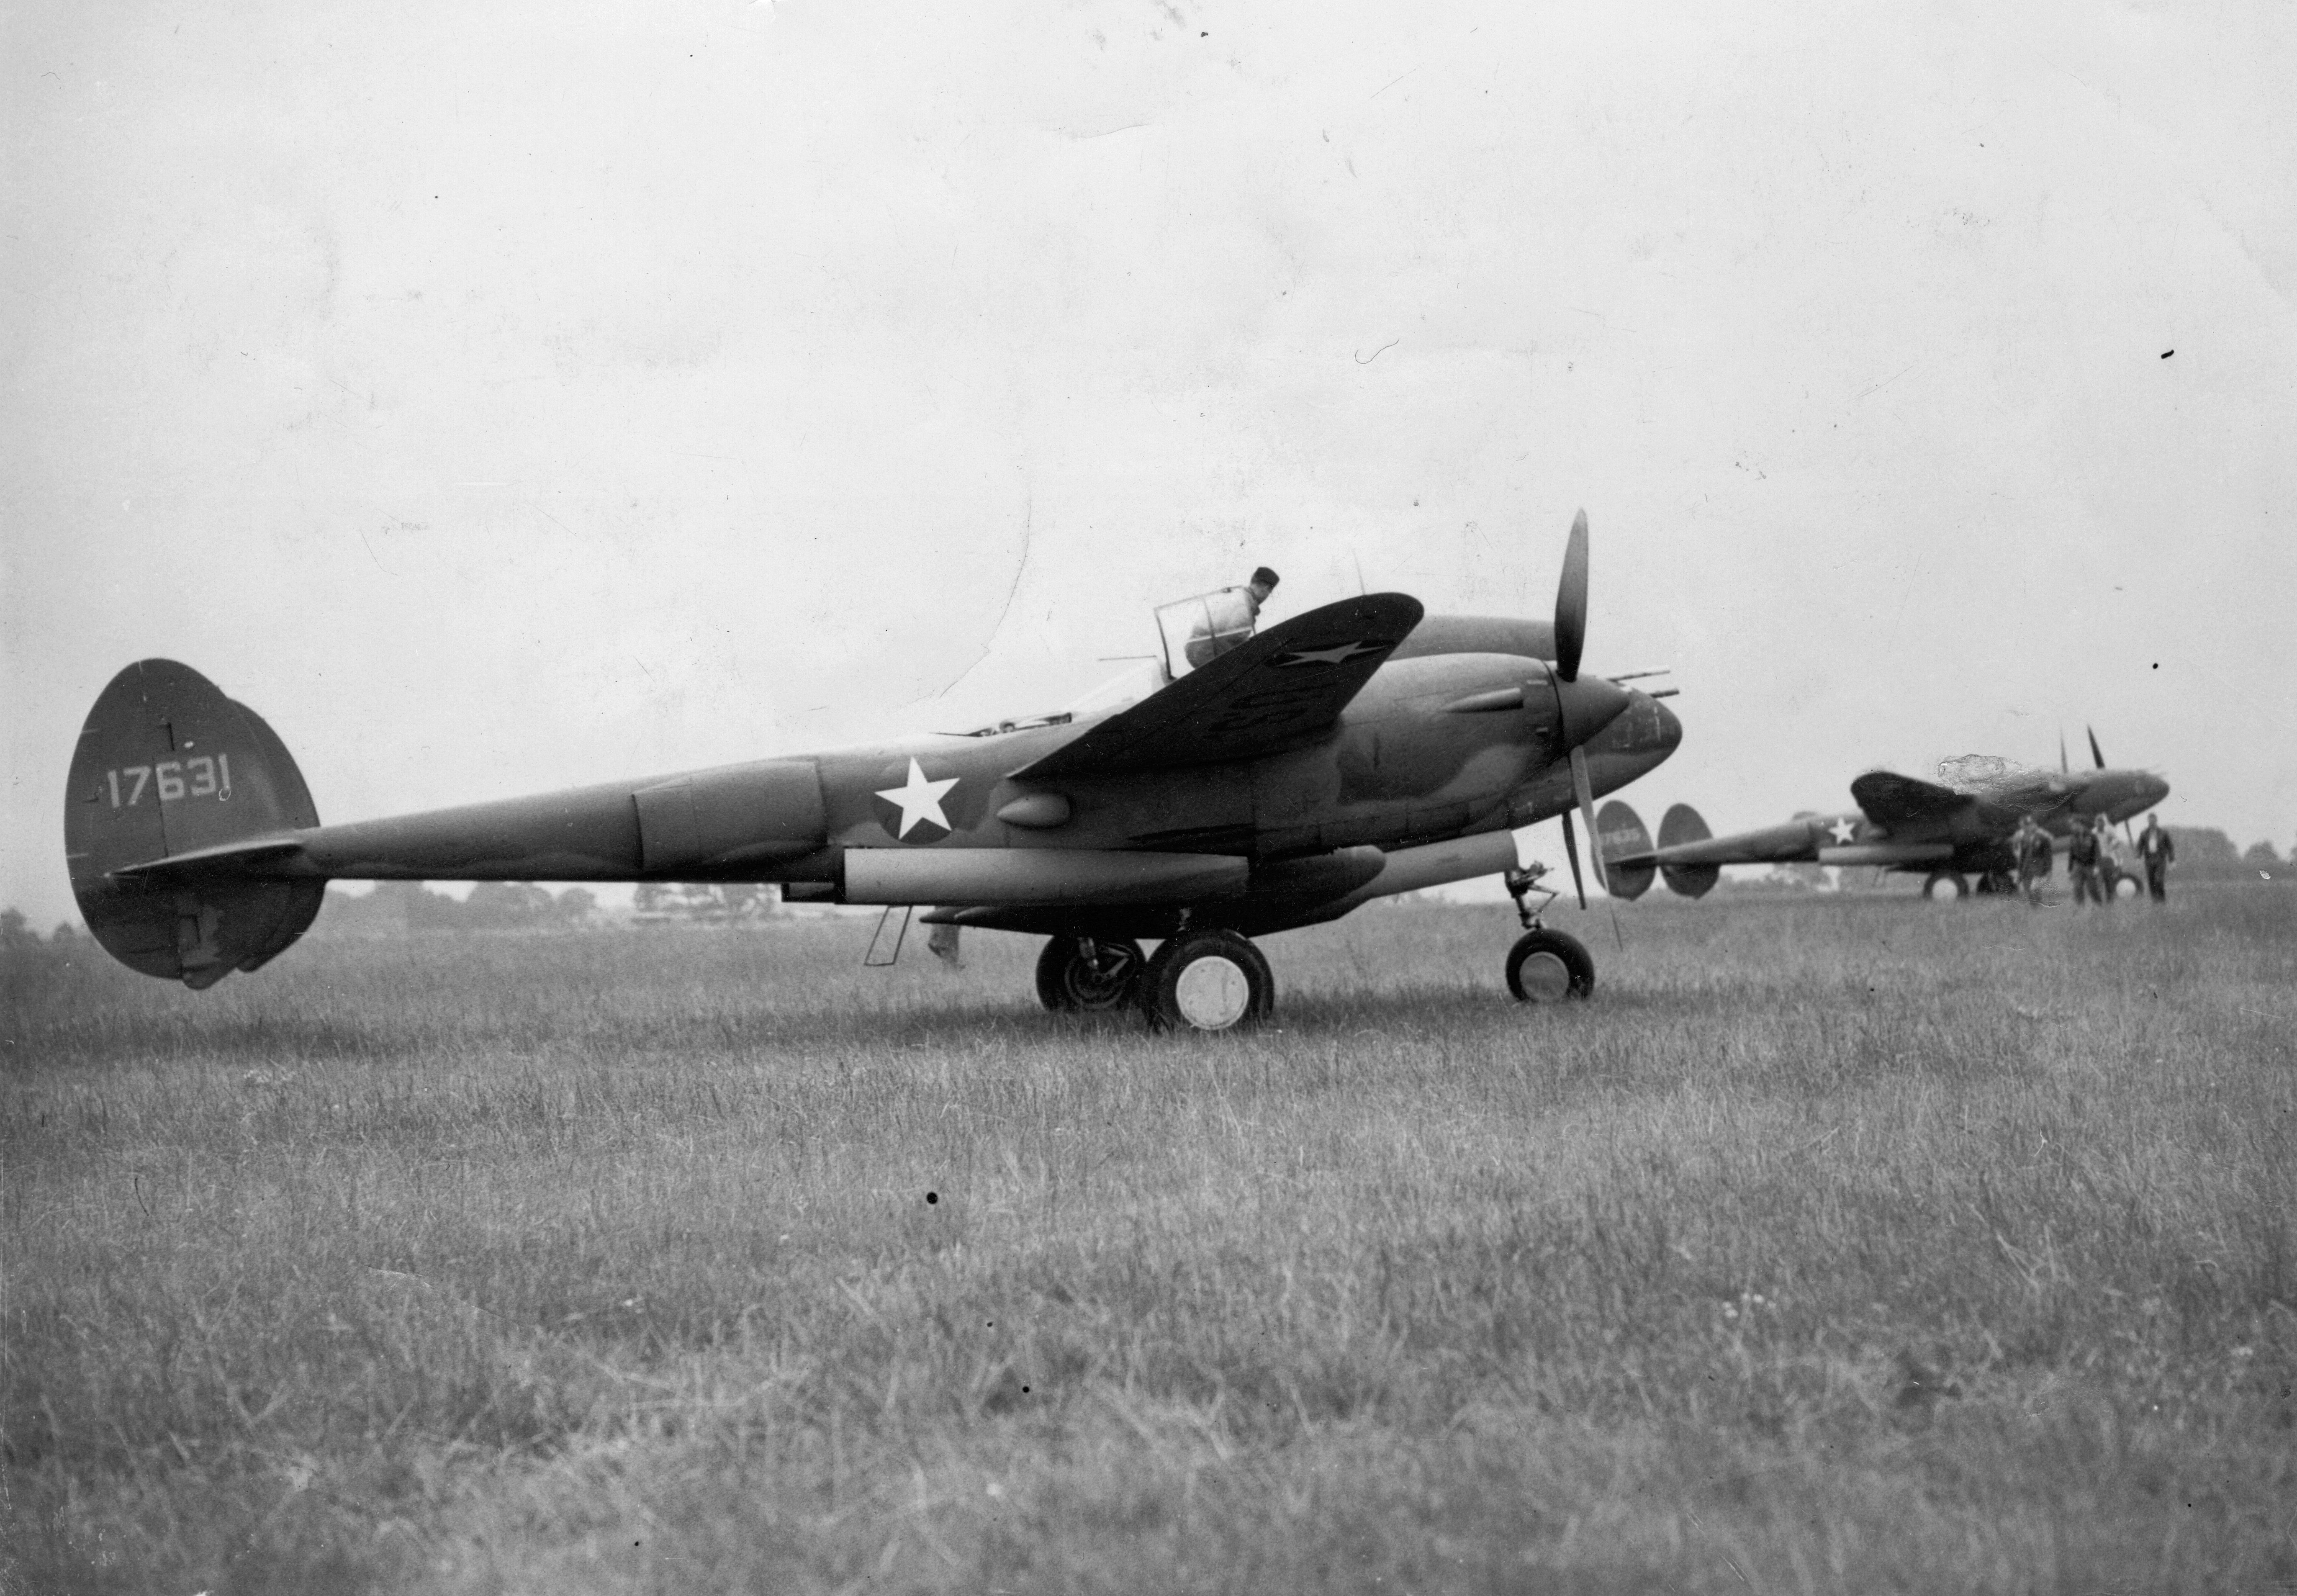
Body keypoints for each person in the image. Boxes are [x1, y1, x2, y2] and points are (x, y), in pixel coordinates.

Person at [1180, 566, 1280, 671]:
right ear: (1266, 588)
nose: (1267, 596)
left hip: (1195, 648)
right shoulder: (1246, 605)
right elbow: (1236, 635)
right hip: (1207, 652)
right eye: (1269, 591)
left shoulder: (1235, 596)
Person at [2066, 816, 2108, 907]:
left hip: (2090, 865)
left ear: (2079, 824)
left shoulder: (2091, 836)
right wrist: (2070, 870)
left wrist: (2097, 866)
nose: (2072, 828)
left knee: (2092, 888)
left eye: (2073, 825)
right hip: (2078, 866)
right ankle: (2081, 908)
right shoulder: (2073, 837)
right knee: (2077, 887)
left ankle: (2099, 906)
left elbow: (2097, 852)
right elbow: (2071, 854)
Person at [2014, 814, 2051, 905]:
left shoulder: (2042, 838)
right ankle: (2036, 909)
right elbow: (2022, 857)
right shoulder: (2024, 839)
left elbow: (2048, 855)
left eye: (2032, 824)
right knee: (2029, 891)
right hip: (2026, 870)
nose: (2030, 827)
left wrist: (2049, 870)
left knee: (2035, 889)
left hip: (2038, 868)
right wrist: (2019, 872)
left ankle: (2039, 908)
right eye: (2028, 825)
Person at [2137, 814, 2174, 903]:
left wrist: (2172, 860)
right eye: (2150, 821)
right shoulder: (2144, 833)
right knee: (2151, 881)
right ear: (2148, 821)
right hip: (2149, 860)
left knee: (2159, 880)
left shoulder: (2163, 833)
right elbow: (2140, 846)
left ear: (2156, 821)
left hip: (2160, 859)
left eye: (2153, 821)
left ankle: (2162, 899)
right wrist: (2138, 858)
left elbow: (2170, 847)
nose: (2152, 823)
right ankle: (2155, 901)